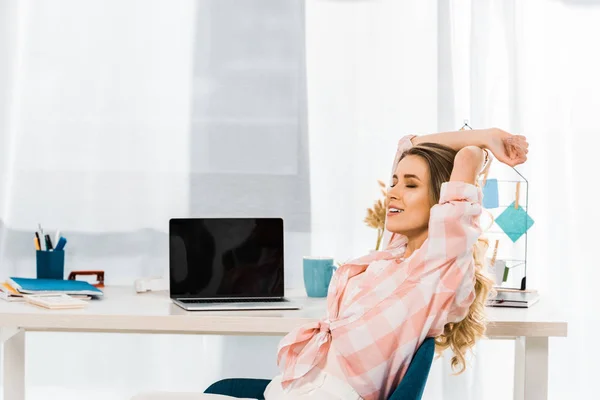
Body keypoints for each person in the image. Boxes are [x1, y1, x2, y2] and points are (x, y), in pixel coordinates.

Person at [133, 127, 528, 400]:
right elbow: (411, 141)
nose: (393, 191)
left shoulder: (435, 269)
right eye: (394, 180)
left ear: (442, 201)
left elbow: (461, 194)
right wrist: (488, 132)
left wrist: (478, 149)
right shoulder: (395, 254)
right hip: (295, 391)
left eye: (410, 185)